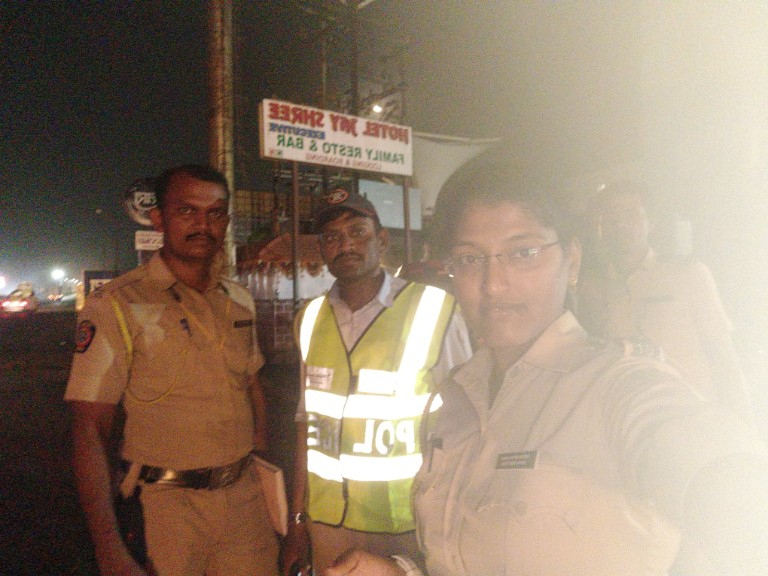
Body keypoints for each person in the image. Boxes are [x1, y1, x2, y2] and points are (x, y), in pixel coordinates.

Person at [324, 161, 768, 576]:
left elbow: (718, 475)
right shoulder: (454, 402)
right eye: (470, 259)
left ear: (571, 260)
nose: (494, 283)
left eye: (524, 252)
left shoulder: (615, 388)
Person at [65, 164, 279, 576]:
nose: (203, 224)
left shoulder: (239, 300)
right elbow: (89, 428)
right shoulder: (117, 304)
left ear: (226, 222)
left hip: (244, 505)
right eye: (187, 211)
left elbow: (252, 384)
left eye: (215, 213)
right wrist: (109, 547)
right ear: (159, 218)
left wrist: (260, 457)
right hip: (164, 511)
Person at [281, 189, 473, 575]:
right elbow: (307, 425)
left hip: (408, 523)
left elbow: (468, 424)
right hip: (329, 523)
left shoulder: (434, 311)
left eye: (357, 231)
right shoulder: (310, 319)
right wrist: (298, 519)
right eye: (332, 237)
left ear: (381, 240)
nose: (346, 244)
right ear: (322, 249)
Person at [577, 180, 753, 424]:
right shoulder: (590, 287)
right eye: (609, 216)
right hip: (628, 422)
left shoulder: (689, 274)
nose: (620, 223)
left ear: (652, 222)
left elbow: (723, 354)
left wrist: (744, 423)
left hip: (695, 417)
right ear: (598, 226)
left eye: (631, 214)